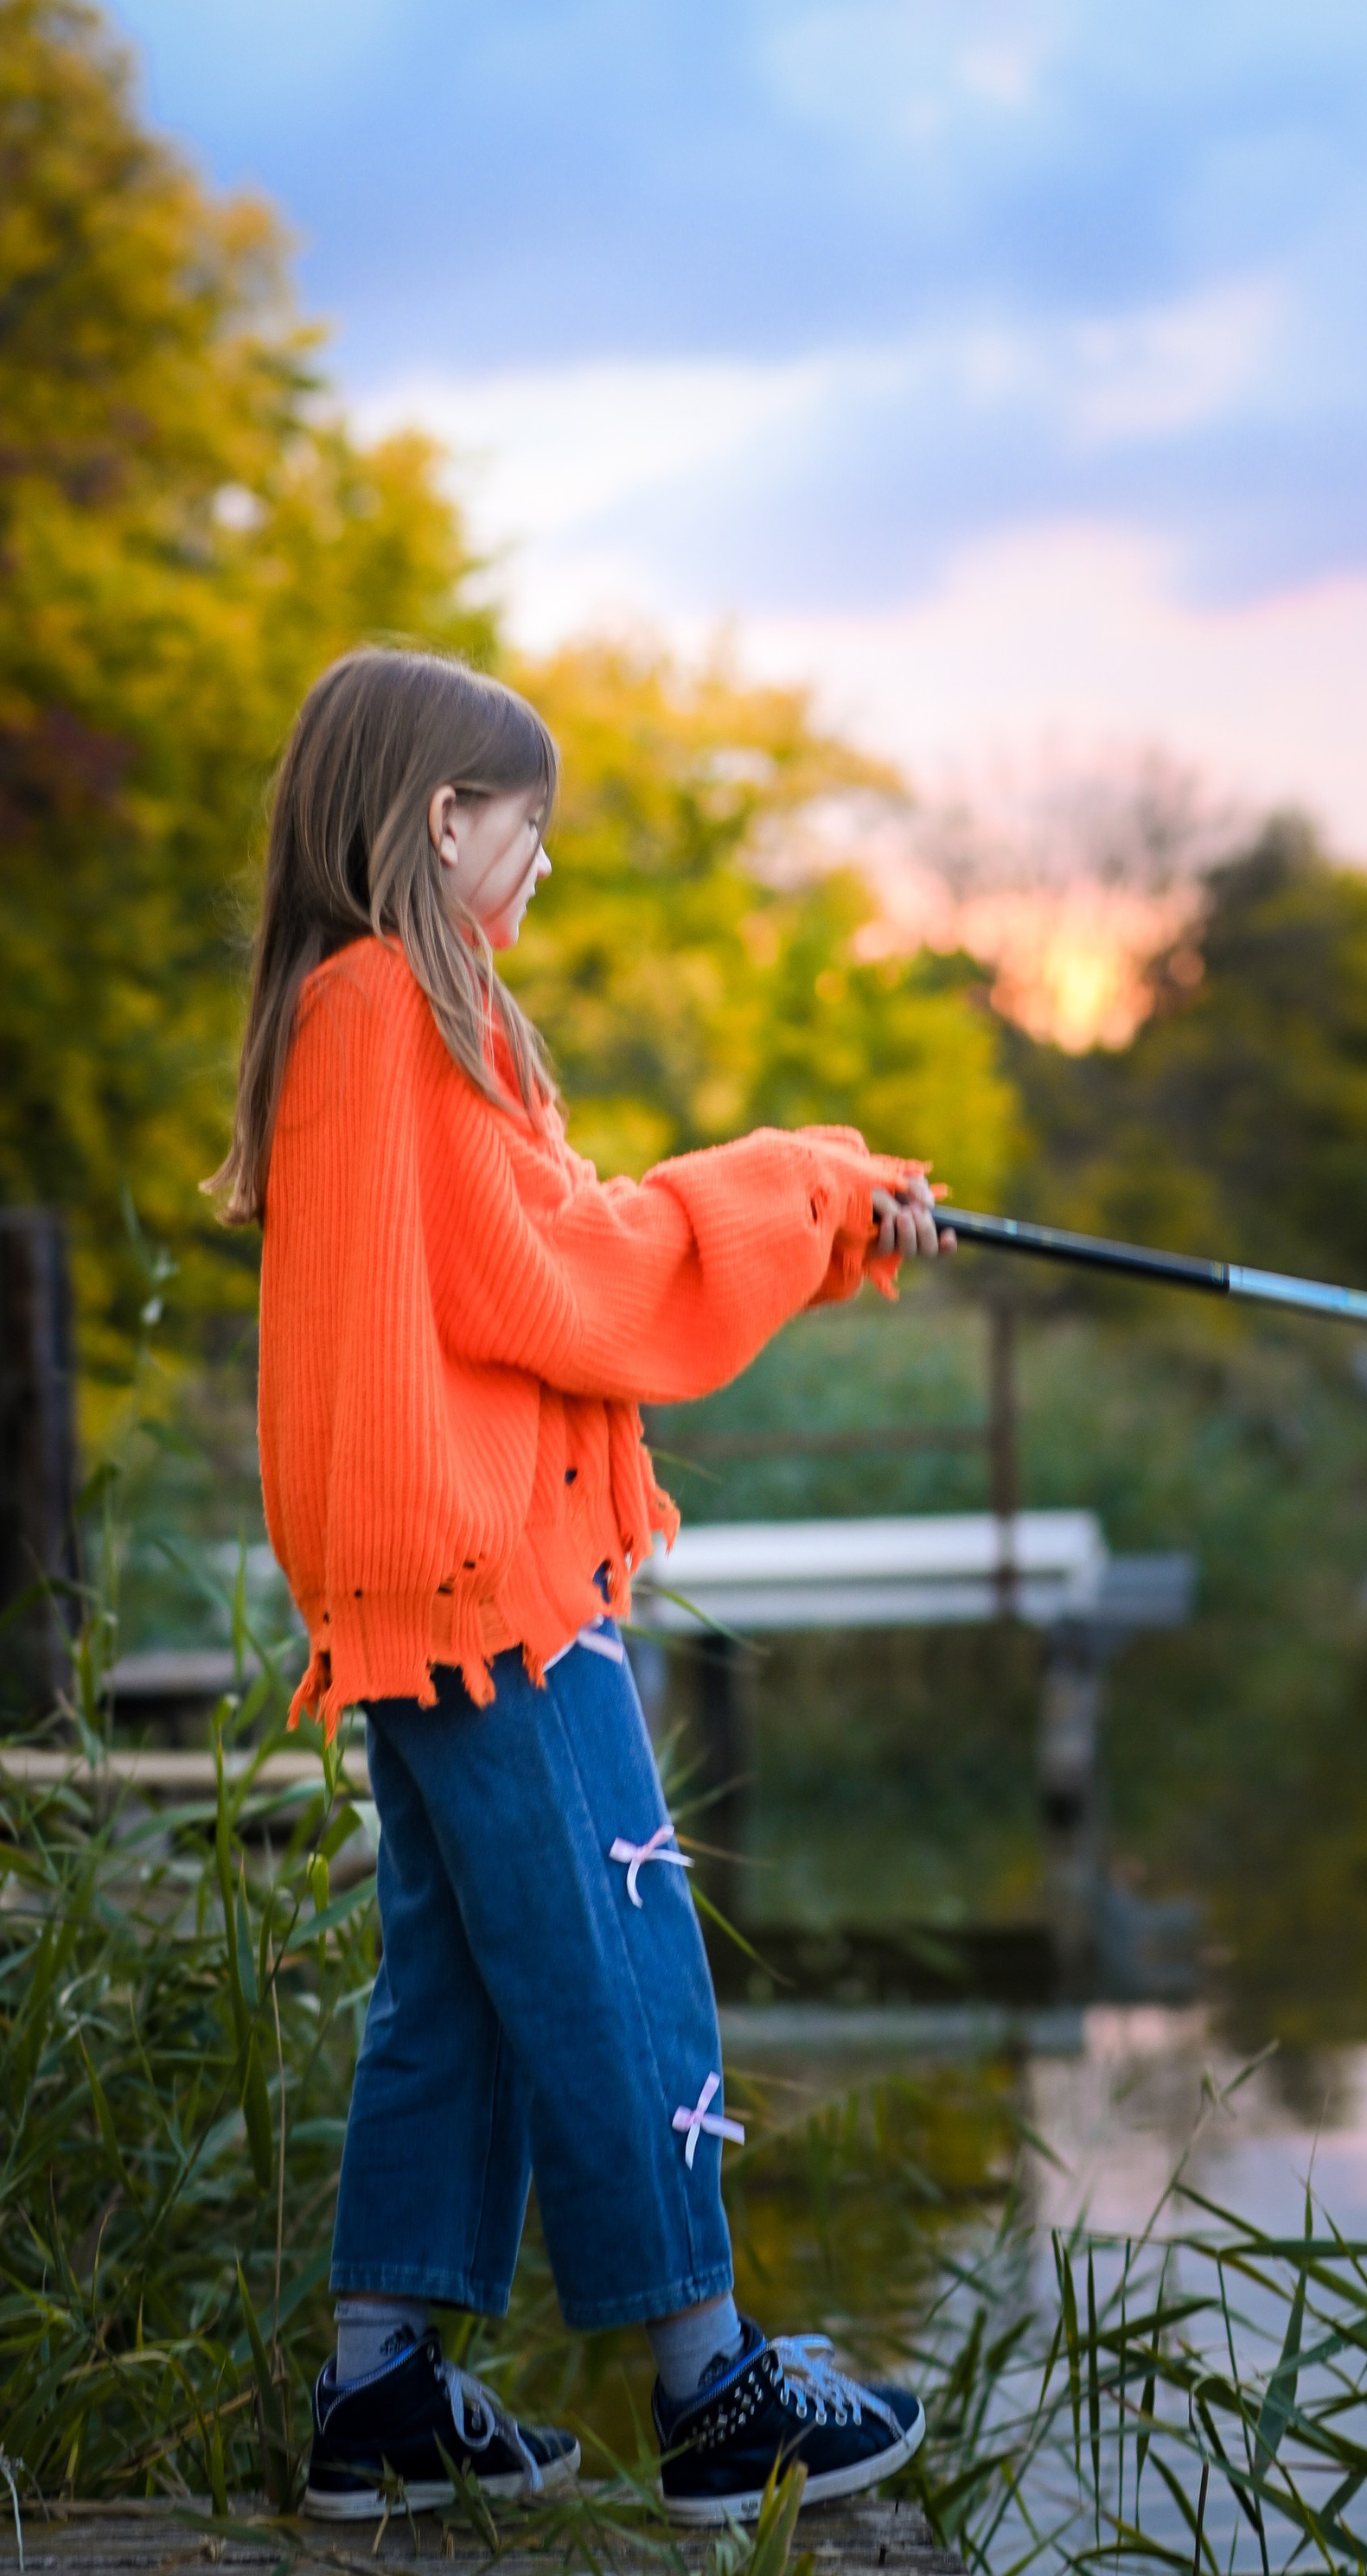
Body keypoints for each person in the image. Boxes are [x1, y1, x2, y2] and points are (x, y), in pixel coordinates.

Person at [206, 644, 955, 2525]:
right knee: (622, 1962)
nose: (539, 878)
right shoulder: (395, 1010)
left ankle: (378, 2394)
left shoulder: (347, 1014)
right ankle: (712, 2387)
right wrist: (805, 1184)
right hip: (495, 1591)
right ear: (446, 818)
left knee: (453, 1987)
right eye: (528, 837)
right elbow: (573, 1273)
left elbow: (528, 1256)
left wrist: (834, 1211)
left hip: (435, 1600)